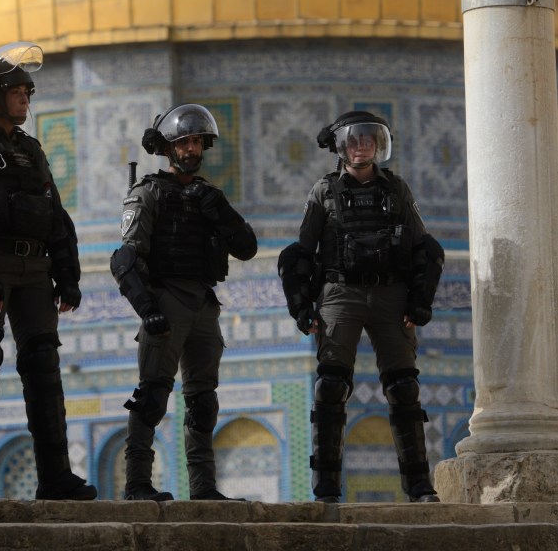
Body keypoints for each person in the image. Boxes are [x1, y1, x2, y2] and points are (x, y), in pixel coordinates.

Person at [0, 42, 96, 501]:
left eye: (29, 88)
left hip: (34, 270)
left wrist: (68, 274)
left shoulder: (30, 149)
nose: (27, 95)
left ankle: (55, 477)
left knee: (44, 365)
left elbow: (56, 216)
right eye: (18, 89)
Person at [278, 110, 445, 504]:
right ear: (342, 146)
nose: (362, 147)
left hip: (390, 294)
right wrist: (303, 307)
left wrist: (420, 302)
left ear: (378, 145)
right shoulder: (324, 191)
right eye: (355, 141)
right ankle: (327, 488)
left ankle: (419, 487)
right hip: (341, 293)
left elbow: (426, 249)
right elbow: (301, 254)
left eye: (369, 140)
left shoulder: (396, 190)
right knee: (331, 386)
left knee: (404, 388)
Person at [110, 104, 258, 502]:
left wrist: (219, 211)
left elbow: (247, 247)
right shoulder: (149, 193)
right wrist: (148, 309)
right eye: (182, 142)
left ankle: (203, 487)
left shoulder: (209, 196)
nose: (191, 149)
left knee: (203, 401)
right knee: (153, 395)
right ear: (167, 148)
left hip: (203, 304)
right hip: (166, 299)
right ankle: (138, 484)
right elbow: (124, 260)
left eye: (196, 141)